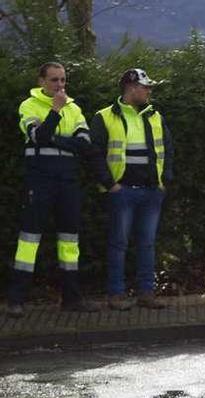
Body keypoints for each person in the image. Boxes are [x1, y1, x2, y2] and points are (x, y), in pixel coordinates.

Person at [6, 62, 101, 318]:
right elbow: (38, 136)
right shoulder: (29, 105)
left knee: (70, 241)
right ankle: (16, 300)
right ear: (41, 82)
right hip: (40, 181)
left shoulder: (75, 108)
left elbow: (84, 145)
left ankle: (71, 299)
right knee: (29, 240)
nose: (60, 85)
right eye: (54, 80)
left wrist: (57, 138)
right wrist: (55, 112)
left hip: (68, 181)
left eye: (63, 80)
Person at [90, 68, 173, 310]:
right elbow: (94, 154)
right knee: (119, 244)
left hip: (150, 192)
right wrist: (110, 184)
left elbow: (168, 149)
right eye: (145, 87)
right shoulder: (104, 117)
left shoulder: (155, 116)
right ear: (131, 88)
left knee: (147, 244)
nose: (149, 91)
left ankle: (146, 293)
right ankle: (116, 295)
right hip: (122, 191)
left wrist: (163, 182)